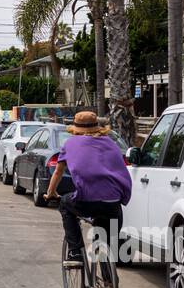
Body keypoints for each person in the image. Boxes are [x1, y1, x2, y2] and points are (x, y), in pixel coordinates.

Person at [45, 110, 131, 268]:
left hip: (86, 200)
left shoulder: (70, 144)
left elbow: (58, 172)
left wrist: (51, 193)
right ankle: (108, 279)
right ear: (97, 127)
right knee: (104, 238)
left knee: (65, 204)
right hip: (113, 202)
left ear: (76, 129)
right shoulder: (110, 143)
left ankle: (75, 251)